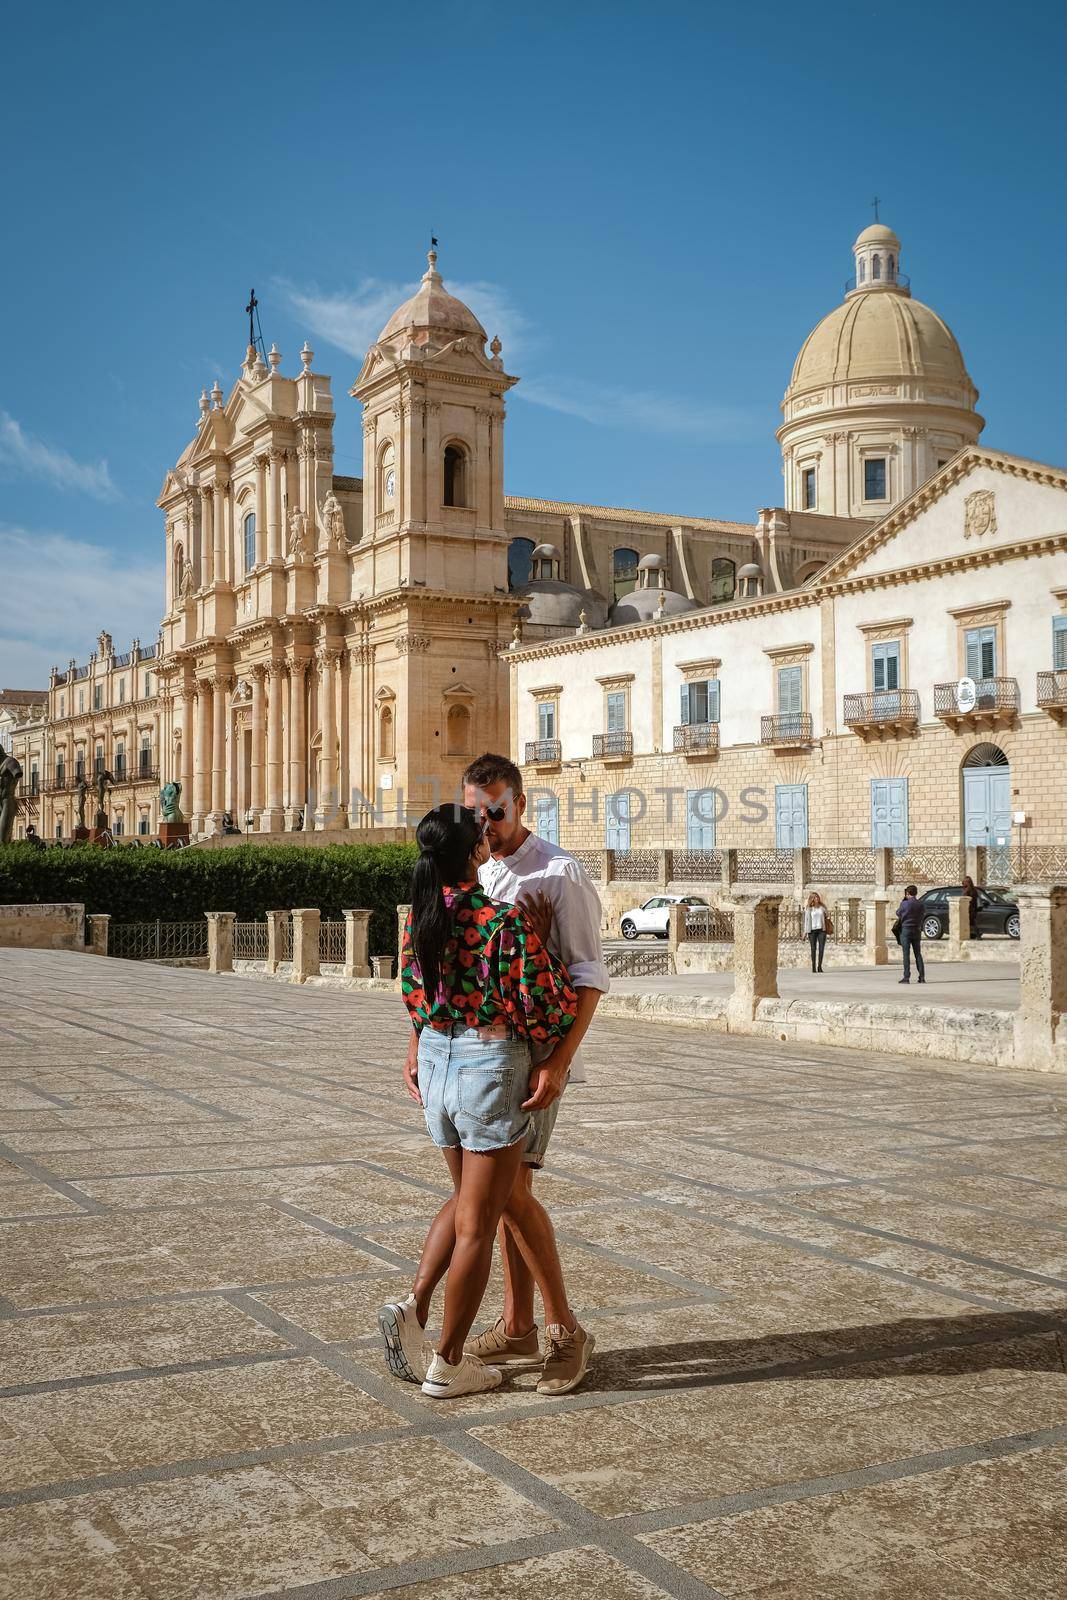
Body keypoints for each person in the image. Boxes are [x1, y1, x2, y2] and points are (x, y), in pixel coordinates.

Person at [380, 803, 579, 1400]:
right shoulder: (502, 924)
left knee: (471, 1200)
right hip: (490, 1072)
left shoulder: (420, 922)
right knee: (478, 1226)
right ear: (474, 852)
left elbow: (414, 999)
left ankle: (416, 1309)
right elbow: (553, 1007)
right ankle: (447, 1361)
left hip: (438, 1070)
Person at [896, 884, 926, 984]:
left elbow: (898, 913)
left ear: (907, 893)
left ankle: (906, 977)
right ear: (916, 893)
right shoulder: (920, 904)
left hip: (906, 930)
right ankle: (921, 977)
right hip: (917, 930)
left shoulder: (905, 904)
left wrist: (904, 901)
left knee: (906, 954)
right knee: (918, 953)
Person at [803, 891, 829, 972]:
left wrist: (826, 913)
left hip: (822, 930)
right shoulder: (809, 909)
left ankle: (819, 966)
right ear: (812, 899)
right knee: (813, 948)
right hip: (812, 931)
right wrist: (805, 932)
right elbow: (806, 921)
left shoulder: (822, 907)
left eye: (817, 897)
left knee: (821, 948)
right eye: (814, 897)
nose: (816, 898)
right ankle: (813, 966)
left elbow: (827, 916)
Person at [961, 874, 982, 939]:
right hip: (974, 909)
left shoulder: (967, 890)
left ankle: (977, 935)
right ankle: (974, 935)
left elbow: (964, 899)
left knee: (971, 922)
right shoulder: (974, 890)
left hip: (970, 909)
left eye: (964, 882)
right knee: (971, 922)